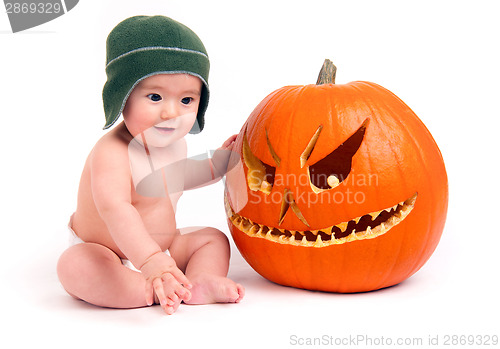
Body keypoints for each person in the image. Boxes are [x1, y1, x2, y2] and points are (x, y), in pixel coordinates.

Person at [57, 15, 244, 315]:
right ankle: (147, 289)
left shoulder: (174, 145)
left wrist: (217, 163)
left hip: (164, 250)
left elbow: (180, 177)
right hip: (107, 253)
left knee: (213, 239)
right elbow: (116, 209)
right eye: (155, 96)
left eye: (186, 100)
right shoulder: (112, 153)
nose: (171, 112)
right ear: (123, 97)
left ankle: (197, 282)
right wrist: (149, 263)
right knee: (74, 267)